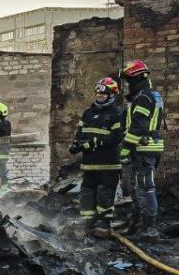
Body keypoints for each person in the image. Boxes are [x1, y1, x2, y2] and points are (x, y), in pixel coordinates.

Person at [69, 78, 123, 233]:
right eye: (98, 94)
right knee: (86, 194)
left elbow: (115, 138)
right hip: (89, 164)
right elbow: (80, 133)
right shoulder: (88, 113)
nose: (99, 96)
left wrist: (92, 143)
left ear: (112, 95)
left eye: (103, 94)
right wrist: (75, 145)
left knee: (104, 195)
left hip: (108, 165)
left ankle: (103, 224)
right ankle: (86, 224)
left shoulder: (116, 114)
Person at [119, 60, 165, 239]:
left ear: (139, 78)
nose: (128, 84)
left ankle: (149, 228)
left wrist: (126, 148)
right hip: (143, 148)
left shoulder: (143, 98)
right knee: (137, 187)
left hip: (144, 148)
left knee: (145, 187)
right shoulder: (147, 96)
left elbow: (138, 126)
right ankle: (137, 224)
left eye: (130, 80)